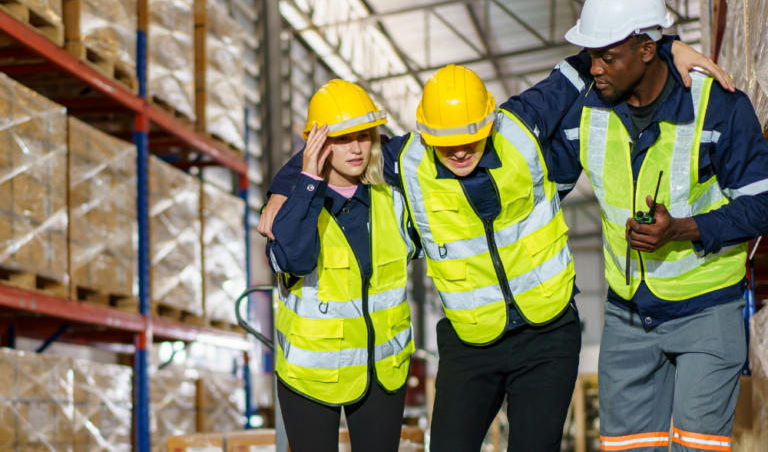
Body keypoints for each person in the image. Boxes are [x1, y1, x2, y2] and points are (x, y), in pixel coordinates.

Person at [260, 44, 729, 451]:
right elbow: (342, 142)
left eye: (469, 139)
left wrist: (666, 49)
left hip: (548, 333)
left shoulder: (522, 123)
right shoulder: (407, 159)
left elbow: (587, 66)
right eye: (446, 144)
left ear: (489, 119)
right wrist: (286, 186)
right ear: (424, 133)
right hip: (471, 343)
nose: (460, 152)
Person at [547, 0, 768, 450]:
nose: (595, 68)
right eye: (591, 56)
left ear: (647, 50)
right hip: (627, 317)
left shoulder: (719, 106)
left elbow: (762, 204)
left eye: (607, 56)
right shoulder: (584, 109)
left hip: (708, 310)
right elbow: (535, 182)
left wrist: (684, 228)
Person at [266, 80, 418, 452]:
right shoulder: (292, 205)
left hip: (382, 371)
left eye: (364, 136)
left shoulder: (393, 200)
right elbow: (296, 260)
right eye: (342, 138)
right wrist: (305, 181)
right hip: (310, 376)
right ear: (318, 143)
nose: (355, 148)